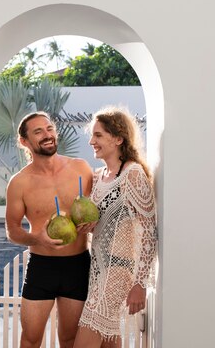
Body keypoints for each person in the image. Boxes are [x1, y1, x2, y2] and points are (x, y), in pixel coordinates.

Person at [5, 111, 95, 348]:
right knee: (31, 339)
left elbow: (100, 212)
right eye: (38, 131)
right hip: (42, 268)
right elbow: (12, 230)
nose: (47, 135)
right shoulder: (19, 183)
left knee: (69, 339)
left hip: (78, 265)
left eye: (49, 128)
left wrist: (93, 225)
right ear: (24, 142)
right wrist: (37, 238)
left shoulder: (81, 169)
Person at [73, 106, 158, 348]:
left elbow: (150, 233)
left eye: (98, 135)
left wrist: (140, 283)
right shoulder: (99, 176)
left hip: (118, 272)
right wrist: (87, 226)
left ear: (118, 138)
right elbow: (105, 223)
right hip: (97, 270)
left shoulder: (132, 174)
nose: (91, 141)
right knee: (108, 342)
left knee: (85, 341)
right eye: (92, 135)